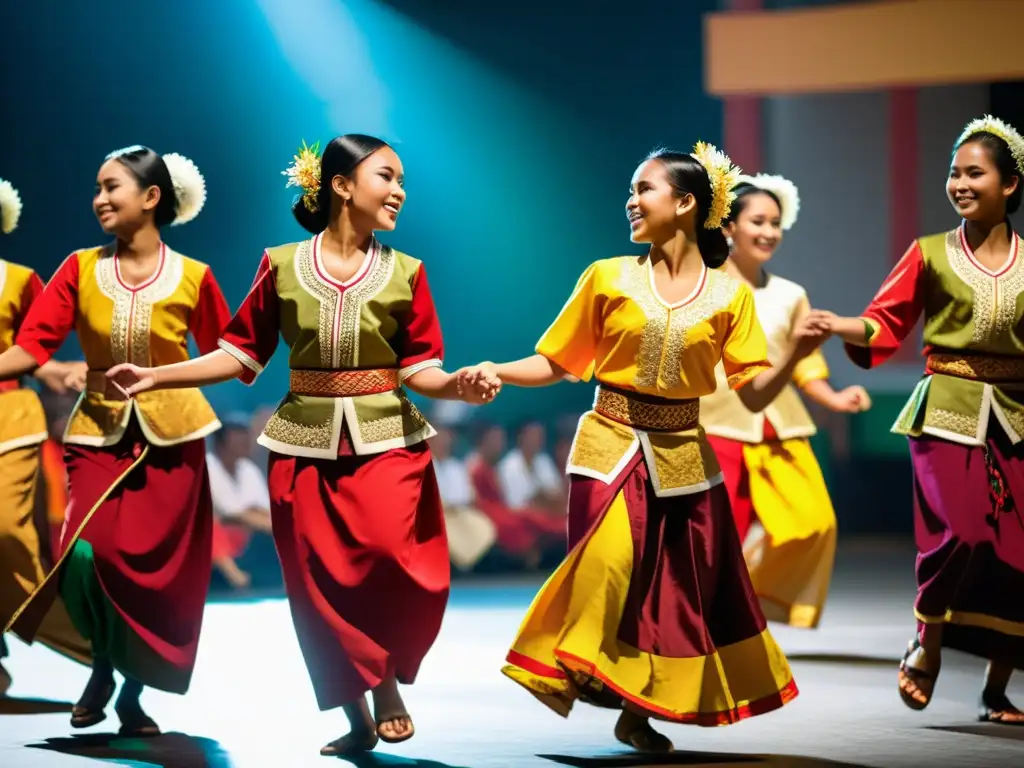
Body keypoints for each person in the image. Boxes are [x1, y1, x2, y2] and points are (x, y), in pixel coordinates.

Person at [106, 135, 496, 756]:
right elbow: (239, 355)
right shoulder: (281, 264)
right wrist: (155, 374)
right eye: (387, 177)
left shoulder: (407, 271)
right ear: (341, 186)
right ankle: (358, 715)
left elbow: (421, 365)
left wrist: (457, 384)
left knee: (390, 556)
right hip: (302, 446)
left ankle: (386, 676)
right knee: (314, 584)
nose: (399, 191)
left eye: (402, 181)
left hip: (389, 440)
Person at [460, 143, 828, 752]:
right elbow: (558, 362)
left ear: (685, 203)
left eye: (644, 189)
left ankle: (636, 713)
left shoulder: (728, 296)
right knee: (607, 567)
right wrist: (496, 368)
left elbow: (756, 393)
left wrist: (793, 353)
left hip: (683, 454)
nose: (631, 201)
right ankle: (570, 667)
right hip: (608, 442)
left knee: (668, 594)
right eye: (631, 190)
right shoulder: (607, 275)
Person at [0, 147, 229, 735]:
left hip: (173, 438)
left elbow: (234, 357)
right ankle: (101, 661)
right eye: (97, 188)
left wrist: (167, 376)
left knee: (156, 574)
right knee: (86, 552)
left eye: (112, 187)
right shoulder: (77, 268)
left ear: (152, 198)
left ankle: (127, 689)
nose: (99, 198)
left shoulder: (195, 276)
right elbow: (32, 348)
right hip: (97, 433)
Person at [813, 115, 1024, 724]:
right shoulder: (930, 253)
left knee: (1017, 554)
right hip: (947, 411)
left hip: (1014, 418)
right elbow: (882, 324)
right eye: (953, 172)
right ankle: (927, 645)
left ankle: (996, 689)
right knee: (959, 532)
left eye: (973, 173)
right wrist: (838, 324)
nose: (958, 183)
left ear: (1009, 185)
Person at [701, 174, 870, 629]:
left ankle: (746, 590)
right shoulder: (704, 287)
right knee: (719, 537)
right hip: (717, 424)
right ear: (728, 227)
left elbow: (805, 363)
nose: (769, 232)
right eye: (758, 221)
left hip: (780, 425)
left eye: (776, 223)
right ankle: (713, 618)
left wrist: (833, 399)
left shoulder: (791, 294)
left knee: (814, 523)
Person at [0, 177, 91, 694]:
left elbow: (37, 343)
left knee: (10, 538)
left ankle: (95, 643)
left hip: (8, 418)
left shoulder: (18, 280)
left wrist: (55, 370)